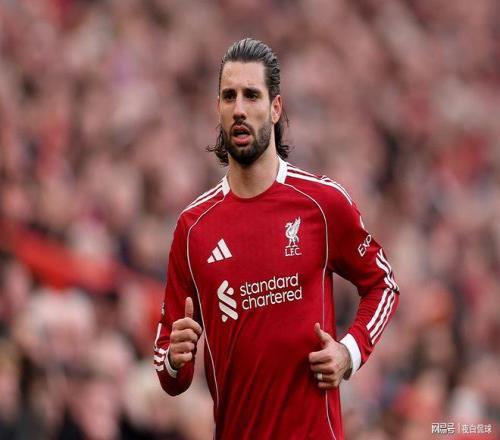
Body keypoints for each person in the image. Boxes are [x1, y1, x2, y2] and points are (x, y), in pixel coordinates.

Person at [154, 38, 399, 440]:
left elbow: (383, 284)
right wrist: (175, 360)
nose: (239, 108)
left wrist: (349, 352)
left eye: (252, 95)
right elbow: (169, 370)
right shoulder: (193, 228)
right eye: (229, 96)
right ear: (218, 109)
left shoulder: (321, 203)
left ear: (275, 108)